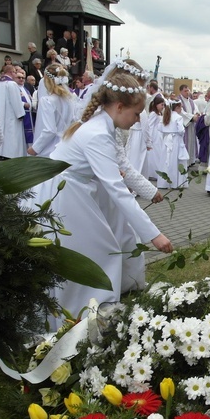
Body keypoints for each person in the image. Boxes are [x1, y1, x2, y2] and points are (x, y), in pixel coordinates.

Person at [32, 71, 171, 328]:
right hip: (67, 194)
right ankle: (86, 310)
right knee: (97, 249)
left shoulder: (100, 125)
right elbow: (118, 191)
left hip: (75, 189)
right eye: (136, 113)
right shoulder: (98, 133)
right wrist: (155, 234)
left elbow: (102, 169)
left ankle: (99, 300)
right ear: (119, 107)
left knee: (106, 243)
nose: (138, 119)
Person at [28, 64, 75, 157]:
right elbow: (73, 121)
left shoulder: (47, 101)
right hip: (65, 144)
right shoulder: (70, 99)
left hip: (49, 147)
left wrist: (35, 148)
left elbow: (50, 130)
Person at [0, 64, 26, 160]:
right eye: (14, 72)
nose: (15, 74)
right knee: (11, 134)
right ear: (10, 72)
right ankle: (10, 153)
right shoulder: (12, 84)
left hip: (0, 112)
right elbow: (16, 101)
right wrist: (20, 113)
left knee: (1, 131)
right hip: (11, 115)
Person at [158, 100, 189, 189]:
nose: (181, 109)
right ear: (177, 107)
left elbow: (159, 128)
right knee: (175, 160)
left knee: (166, 160)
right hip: (175, 141)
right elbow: (181, 130)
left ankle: (164, 182)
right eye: (181, 107)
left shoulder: (165, 116)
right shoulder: (178, 117)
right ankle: (175, 182)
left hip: (166, 140)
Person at [146, 94, 166, 181]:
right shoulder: (153, 114)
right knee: (154, 155)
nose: (163, 107)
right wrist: (149, 139)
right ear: (156, 105)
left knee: (158, 154)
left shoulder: (159, 113)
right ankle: (152, 173)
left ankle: (157, 171)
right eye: (161, 105)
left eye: (163, 105)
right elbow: (149, 126)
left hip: (159, 136)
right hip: (155, 136)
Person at [178, 83, 199, 163]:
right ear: (181, 91)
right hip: (184, 126)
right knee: (185, 143)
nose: (187, 92)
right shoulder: (178, 100)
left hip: (191, 126)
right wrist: (192, 117)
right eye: (185, 91)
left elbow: (195, 109)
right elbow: (181, 112)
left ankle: (191, 161)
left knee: (191, 143)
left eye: (188, 90)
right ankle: (184, 163)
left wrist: (196, 114)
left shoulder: (191, 101)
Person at [14, 69, 34, 147]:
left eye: (23, 78)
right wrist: (23, 104)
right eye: (19, 77)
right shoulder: (14, 88)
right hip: (22, 114)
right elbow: (13, 100)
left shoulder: (25, 89)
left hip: (29, 114)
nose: (21, 79)